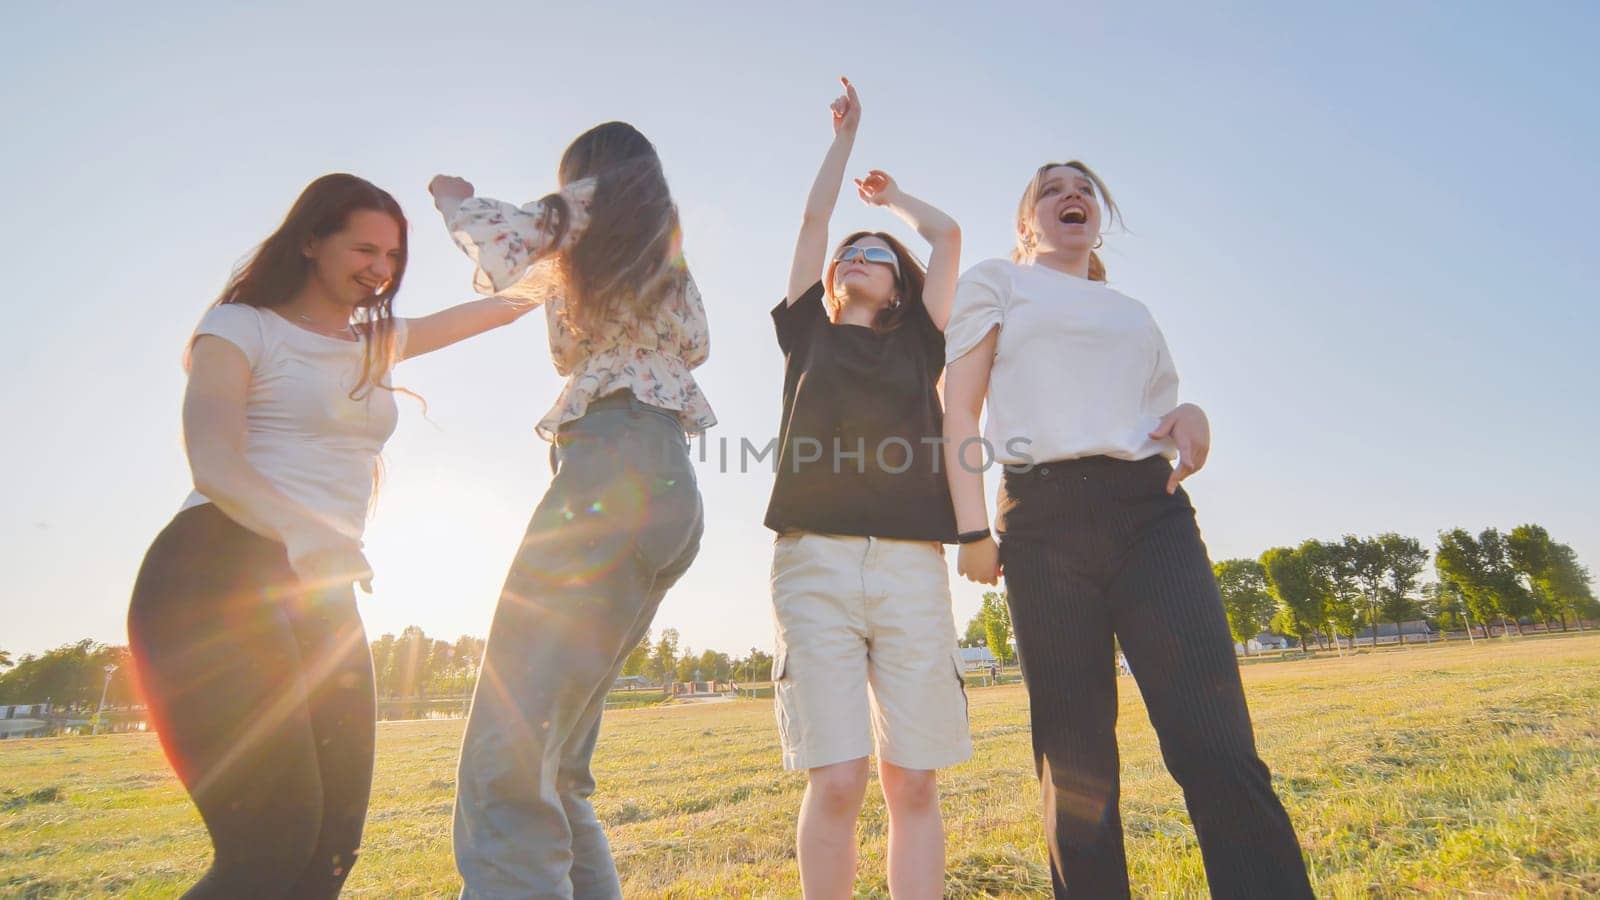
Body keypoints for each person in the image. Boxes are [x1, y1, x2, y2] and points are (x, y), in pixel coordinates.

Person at [128, 173, 550, 898]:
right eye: (364, 248)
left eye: (392, 255)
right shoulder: (240, 327)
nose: (380, 269)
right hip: (215, 572)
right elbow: (216, 461)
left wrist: (573, 237)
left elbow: (506, 307)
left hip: (322, 592)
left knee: (329, 852)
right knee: (269, 846)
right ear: (309, 241)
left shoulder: (375, 344)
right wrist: (306, 534)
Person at [942, 160, 1313, 898]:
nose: (1069, 196)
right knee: (1076, 762)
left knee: (1216, 743)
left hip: (1151, 517)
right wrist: (972, 532)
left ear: (1097, 218)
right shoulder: (996, 281)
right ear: (1026, 225)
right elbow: (959, 409)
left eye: (1082, 188)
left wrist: (1194, 417)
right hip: (1042, 518)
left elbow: (1160, 414)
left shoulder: (1132, 312)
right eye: (1050, 189)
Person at [433, 121, 714, 899]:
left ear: (590, 177)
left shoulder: (587, 208)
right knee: (554, 766)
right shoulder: (662, 255)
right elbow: (504, 306)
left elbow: (501, 235)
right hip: (670, 487)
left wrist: (453, 200)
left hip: (609, 469)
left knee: (508, 752)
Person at [766, 78, 970, 899]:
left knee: (912, 782)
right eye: (850, 254)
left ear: (903, 286)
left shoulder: (925, 342)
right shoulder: (805, 329)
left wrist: (893, 204)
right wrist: (844, 143)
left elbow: (950, 235)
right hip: (811, 565)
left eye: (876, 254)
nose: (857, 255)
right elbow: (815, 221)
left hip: (911, 570)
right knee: (840, 778)